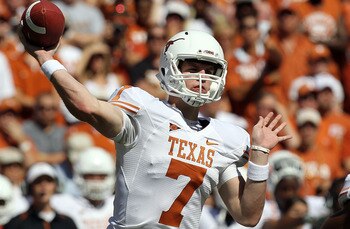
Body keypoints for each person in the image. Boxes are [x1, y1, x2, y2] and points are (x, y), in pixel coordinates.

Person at [18, 28, 291, 228]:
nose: (201, 77)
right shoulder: (144, 110)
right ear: (169, 67)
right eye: (193, 67)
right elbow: (88, 106)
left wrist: (258, 154)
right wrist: (47, 60)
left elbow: (248, 215)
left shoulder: (226, 137)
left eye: (209, 71)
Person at [51, 147, 115, 229]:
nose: (96, 182)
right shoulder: (63, 204)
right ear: (79, 176)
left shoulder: (118, 204)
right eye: (90, 176)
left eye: (101, 176)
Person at [4, 162, 77, 229]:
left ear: (56, 186)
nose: (43, 186)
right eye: (38, 181)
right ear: (29, 188)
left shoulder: (67, 222)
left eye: (48, 181)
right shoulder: (18, 223)